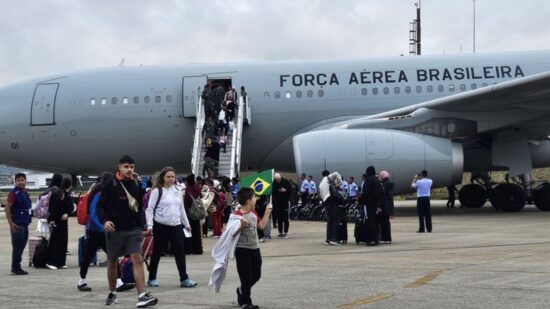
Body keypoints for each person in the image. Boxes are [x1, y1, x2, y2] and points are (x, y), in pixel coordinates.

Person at [96, 155, 157, 307]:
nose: (129, 170)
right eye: (126, 167)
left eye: (131, 167)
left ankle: (142, 295)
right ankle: (112, 292)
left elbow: (141, 205)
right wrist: (105, 221)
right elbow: (100, 205)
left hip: (133, 230)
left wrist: (143, 225)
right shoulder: (111, 184)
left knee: (137, 258)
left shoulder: (136, 183)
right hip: (115, 230)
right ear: (119, 167)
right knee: (112, 262)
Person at [78, 173, 135, 292]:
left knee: (107, 256)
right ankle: (83, 281)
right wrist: (104, 226)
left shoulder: (103, 194)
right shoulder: (99, 195)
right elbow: (94, 214)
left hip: (99, 231)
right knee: (97, 256)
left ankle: (83, 281)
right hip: (97, 232)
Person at [145, 167, 197, 288]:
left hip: (176, 225)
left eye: (173, 177)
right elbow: (149, 209)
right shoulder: (157, 191)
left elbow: (181, 208)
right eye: (168, 176)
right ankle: (152, 277)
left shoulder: (177, 190)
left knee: (180, 251)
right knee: (157, 252)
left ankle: (184, 278)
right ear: (163, 177)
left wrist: (187, 224)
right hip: (160, 225)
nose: (171, 179)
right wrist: (150, 225)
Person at [234, 187, 273, 309]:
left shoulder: (254, 213)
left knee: (256, 275)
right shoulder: (236, 215)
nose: (256, 199)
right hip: (242, 250)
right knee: (245, 277)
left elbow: (261, 226)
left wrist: (267, 211)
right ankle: (246, 302)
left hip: (255, 248)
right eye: (254, 197)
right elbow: (231, 233)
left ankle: (241, 290)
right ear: (248, 201)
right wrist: (241, 225)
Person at [5, 173, 32, 275]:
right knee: (17, 247)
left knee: (21, 246)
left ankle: (17, 266)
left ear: (25, 181)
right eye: (18, 180)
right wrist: (11, 223)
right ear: (15, 182)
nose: (21, 182)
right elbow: (7, 207)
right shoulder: (13, 193)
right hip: (17, 225)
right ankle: (15, 267)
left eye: (22, 180)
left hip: (24, 224)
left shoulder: (25, 193)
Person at [46, 176, 73, 270]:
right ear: (69, 185)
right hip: (57, 220)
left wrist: (66, 213)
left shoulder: (63, 193)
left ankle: (61, 262)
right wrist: (53, 219)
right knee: (57, 241)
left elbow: (69, 207)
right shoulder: (60, 194)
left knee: (62, 241)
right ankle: (52, 262)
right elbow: (54, 208)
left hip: (62, 221)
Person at [359, 166, 384, 246]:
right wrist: (379, 205)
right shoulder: (377, 180)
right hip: (376, 204)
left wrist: (360, 201)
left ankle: (370, 239)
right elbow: (381, 193)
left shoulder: (368, 180)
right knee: (375, 221)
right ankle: (376, 239)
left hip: (368, 204)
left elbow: (365, 192)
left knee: (369, 221)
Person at [319, 170, 343, 245]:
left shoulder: (321, 184)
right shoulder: (328, 179)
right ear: (328, 175)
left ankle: (328, 239)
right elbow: (336, 173)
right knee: (336, 220)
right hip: (332, 202)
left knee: (330, 221)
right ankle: (334, 239)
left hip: (326, 203)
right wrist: (339, 183)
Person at [184, 174, 203, 255]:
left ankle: (188, 249)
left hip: (189, 212)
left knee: (188, 230)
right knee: (196, 231)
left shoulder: (187, 190)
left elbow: (186, 202)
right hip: (196, 212)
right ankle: (197, 249)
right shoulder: (197, 188)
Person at [272, 173, 292, 238]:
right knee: (279, 218)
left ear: (280, 177)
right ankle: (280, 232)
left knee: (285, 218)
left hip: (285, 202)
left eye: (278, 179)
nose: (278, 181)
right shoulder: (274, 183)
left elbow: (290, 190)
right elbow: (273, 192)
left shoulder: (286, 182)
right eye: (276, 180)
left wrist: (285, 190)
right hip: (277, 203)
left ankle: (285, 232)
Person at [377, 171, 394, 244]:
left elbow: (382, 198)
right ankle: (388, 238)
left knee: (383, 223)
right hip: (388, 207)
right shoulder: (389, 185)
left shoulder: (383, 186)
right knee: (387, 223)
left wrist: (379, 206)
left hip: (384, 207)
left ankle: (384, 238)